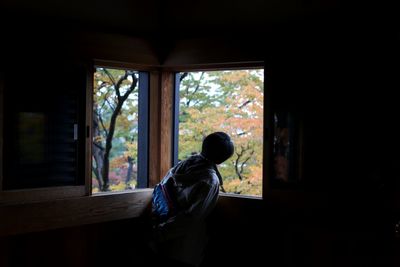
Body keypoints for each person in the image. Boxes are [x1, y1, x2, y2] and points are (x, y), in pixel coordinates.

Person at [148, 131, 234, 267]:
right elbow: (193, 217)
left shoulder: (181, 166)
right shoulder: (210, 180)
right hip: (185, 244)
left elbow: (160, 193)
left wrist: (156, 232)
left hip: (159, 233)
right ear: (222, 159)